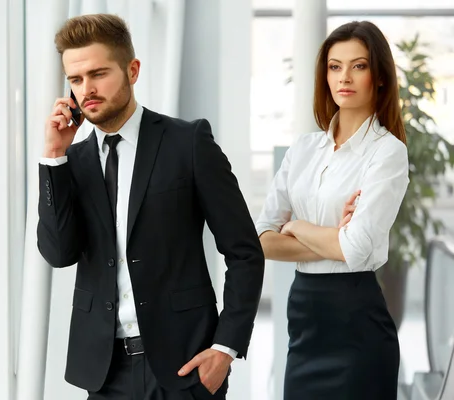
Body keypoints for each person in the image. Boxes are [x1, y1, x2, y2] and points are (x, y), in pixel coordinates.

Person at [37, 14, 265, 400]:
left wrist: (225, 349)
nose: (86, 89)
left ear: (133, 70)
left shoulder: (188, 142)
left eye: (98, 74)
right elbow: (59, 253)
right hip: (103, 373)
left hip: (184, 367)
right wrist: (54, 155)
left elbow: (244, 251)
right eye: (75, 80)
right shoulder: (71, 162)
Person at [255, 21, 409, 399]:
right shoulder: (304, 149)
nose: (345, 77)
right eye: (334, 66)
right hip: (304, 316)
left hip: (357, 321)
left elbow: (355, 251)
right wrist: (336, 240)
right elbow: (261, 239)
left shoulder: (388, 152)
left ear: (380, 77)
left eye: (358, 65)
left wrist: (297, 227)